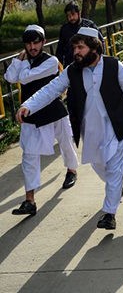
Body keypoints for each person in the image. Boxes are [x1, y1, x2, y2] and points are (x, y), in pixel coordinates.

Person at [16, 27, 123, 230]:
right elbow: (51, 90)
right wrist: (28, 105)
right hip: (90, 130)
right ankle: (115, 190)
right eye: (74, 48)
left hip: (116, 127)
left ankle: (109, 213)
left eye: (80, 47)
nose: (76, 52)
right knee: (99, 166)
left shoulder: (114, 66)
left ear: (94, 48)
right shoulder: (72, 70)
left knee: (115, 169)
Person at [5, 25, 79, 216]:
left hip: (53, 111)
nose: (32, 47)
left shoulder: (51, 62)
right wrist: (19, 59)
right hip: (30, 115)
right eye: (28, 44)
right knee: (29, 156)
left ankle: (72, 170)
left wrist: (21, 63)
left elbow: (25, 78)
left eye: (36, 42)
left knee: (66, 143)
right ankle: (30, 200)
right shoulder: (23, 60)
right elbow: (10, 77)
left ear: (43, 42)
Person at [55, 2, 103, 67]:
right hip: (72, 65)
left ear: (79, 13)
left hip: (90, 63)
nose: (71, 18)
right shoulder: (64, 29)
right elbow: (60, 50)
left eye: (73, 14)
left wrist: (99, 60)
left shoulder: (89, 25)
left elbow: (100, 43)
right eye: (68, 16)